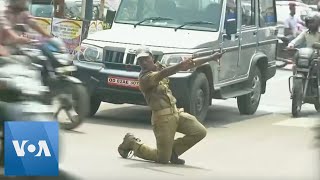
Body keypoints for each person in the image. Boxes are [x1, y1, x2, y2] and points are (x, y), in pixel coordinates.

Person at [117, 47, 224, 164]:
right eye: (140, 60)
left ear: (152, 58)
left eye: (146, 59)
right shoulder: (144, 78)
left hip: (175, 113)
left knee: (200, 132)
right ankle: (132, 143)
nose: (143, 62)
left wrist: (211, 58)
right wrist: (179, 66)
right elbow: (163, 73)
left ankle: (173, 152)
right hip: (162, 120)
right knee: (162, 158)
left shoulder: (159, 67)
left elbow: (188, 65)